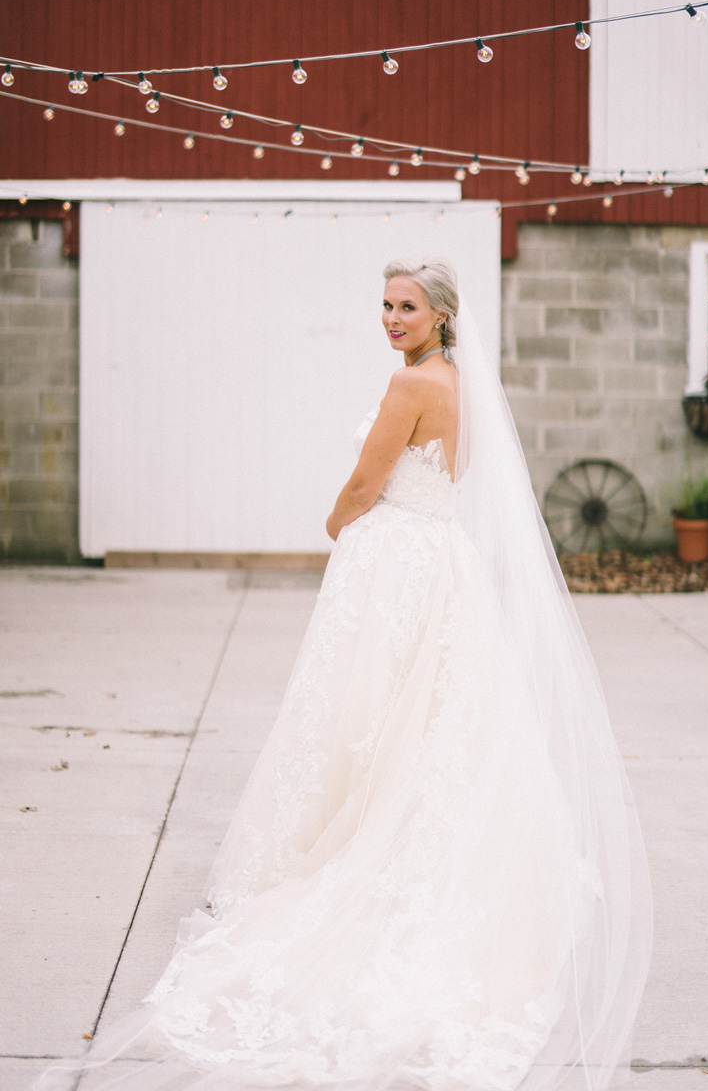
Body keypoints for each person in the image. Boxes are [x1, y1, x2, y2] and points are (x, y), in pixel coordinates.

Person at [36, 255, 651, 1091]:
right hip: (442, 558)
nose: (392, 318)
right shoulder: (465, 385)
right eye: (386, 304)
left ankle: (350, 848)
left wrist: (335, 521)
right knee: (428, 717)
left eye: (407, 306)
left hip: (395, 558)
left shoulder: (409, 389)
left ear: (440, 315)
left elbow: (367, 481)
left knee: (364, 709)